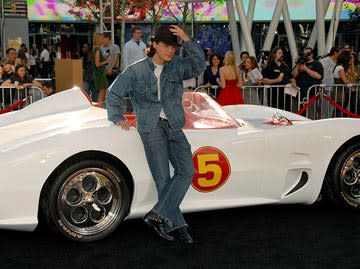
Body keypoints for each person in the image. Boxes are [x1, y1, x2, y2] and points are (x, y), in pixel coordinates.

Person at [106, 25, 206, 243]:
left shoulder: (177, 66)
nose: (171, 50)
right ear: (154, 44)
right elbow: (113, 93)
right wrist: (117, 117)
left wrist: (187, 39)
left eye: (174, 46)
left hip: (174, 124)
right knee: (163, 178)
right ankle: (177, 225)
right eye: (166, 45)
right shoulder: (136, 70)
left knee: (187, 171)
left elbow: (200, 64)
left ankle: (158, 215)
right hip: (151, 127)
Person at [292, 46, 323, 119]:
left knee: (310, 116)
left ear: (312, 54)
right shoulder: (300, 63)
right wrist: (297, 64)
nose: (306, 55)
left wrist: (306, 69)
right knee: (297, 116)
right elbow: (293, 75)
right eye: (304, 53)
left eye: (308, 53)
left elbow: (319, 76)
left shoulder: (317, 64)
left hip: (312, 95)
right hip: (299, 95)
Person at [262, 46, 296, 110]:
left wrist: (293, 82)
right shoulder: (269, 66)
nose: (282, 55)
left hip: (287, 95)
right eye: (279, 53)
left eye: (282, 53)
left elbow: (291, 78)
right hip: (274, 95)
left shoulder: (285, 66)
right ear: (274, 55)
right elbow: (264, 80)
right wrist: (276, 80)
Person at [320, 46, 341, 118]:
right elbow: (320, 74)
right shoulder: (324, 61)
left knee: (331, 109)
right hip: (325, 88)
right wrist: (323, 86)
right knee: (324, 109)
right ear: (335, 52)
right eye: (340, 53)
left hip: (334, 89)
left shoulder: (338, 62)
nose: (340, 55)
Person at [92, 32, 109, 107]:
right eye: (101, 38)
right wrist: (106, 61)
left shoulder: (95, 49)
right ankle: (99, 108)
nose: (102, 40)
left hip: (99, 73)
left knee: (103, 92)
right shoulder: (97, 49)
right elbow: (97, 64)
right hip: (99, 74)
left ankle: (100, 107)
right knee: (102, 92)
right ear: (98, 39)